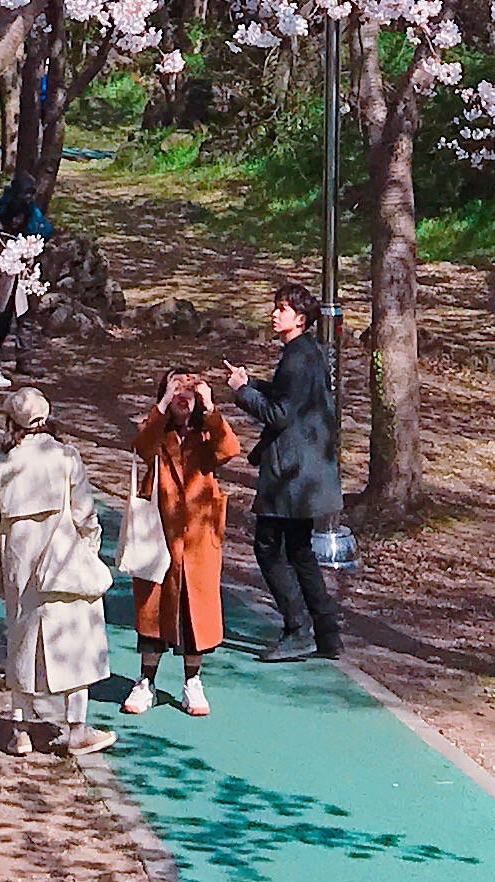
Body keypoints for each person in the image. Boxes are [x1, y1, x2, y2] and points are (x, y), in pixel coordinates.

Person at [0, 386, 116, 754]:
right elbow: (86, 515)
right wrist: (90, 550)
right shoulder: (66, 458)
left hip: (19, 569)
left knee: (21, 644)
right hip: (63, 564)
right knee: (76, 641)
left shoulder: (2, 469)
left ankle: (20, 730)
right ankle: (77, 728)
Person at [222, 281, 344, 662]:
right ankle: (327, 634)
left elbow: (279, 414)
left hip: (292, 476)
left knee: (268, 547)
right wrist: (253, 382)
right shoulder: (308, 353)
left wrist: (243, 392)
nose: (275, 314)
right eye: (275, 307)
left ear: (301, 318)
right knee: (301, 551)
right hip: (308, 474)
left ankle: (297, 628)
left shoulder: (297, 356)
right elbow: (285, 394)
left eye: (283, 309)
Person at [125, 367, 240, 716]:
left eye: (189, 391)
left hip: (199, 537)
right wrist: (162, 404)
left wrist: (210, 404)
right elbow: (142, 446)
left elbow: (230, 449)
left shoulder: (207, 433)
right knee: (153, 609)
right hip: (157, 534)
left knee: (195, 613)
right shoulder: (157, 430)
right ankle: (146, 680)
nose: (182, 397)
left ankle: (192, 681)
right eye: (175, 390)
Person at [0, 175, 51, 389]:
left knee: (0, 319)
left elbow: (44, 231)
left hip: (11, 272)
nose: (28, 196)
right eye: (26, 192)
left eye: (31, 192)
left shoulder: (29, 211)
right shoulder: (3, 209)